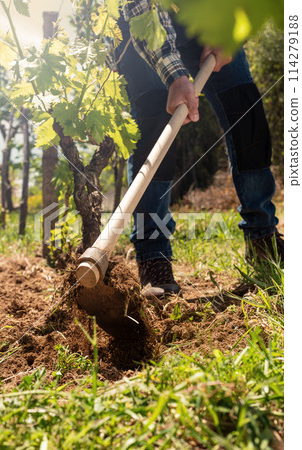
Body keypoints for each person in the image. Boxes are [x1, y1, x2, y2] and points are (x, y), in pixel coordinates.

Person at [116, 1, 283, 298]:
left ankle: (263, 236)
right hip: (143, 27)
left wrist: (228, 32)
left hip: (204, 14)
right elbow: (139, 8)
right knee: (155, 123)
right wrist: (175, 77)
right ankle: (153, 255)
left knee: (244, 108)